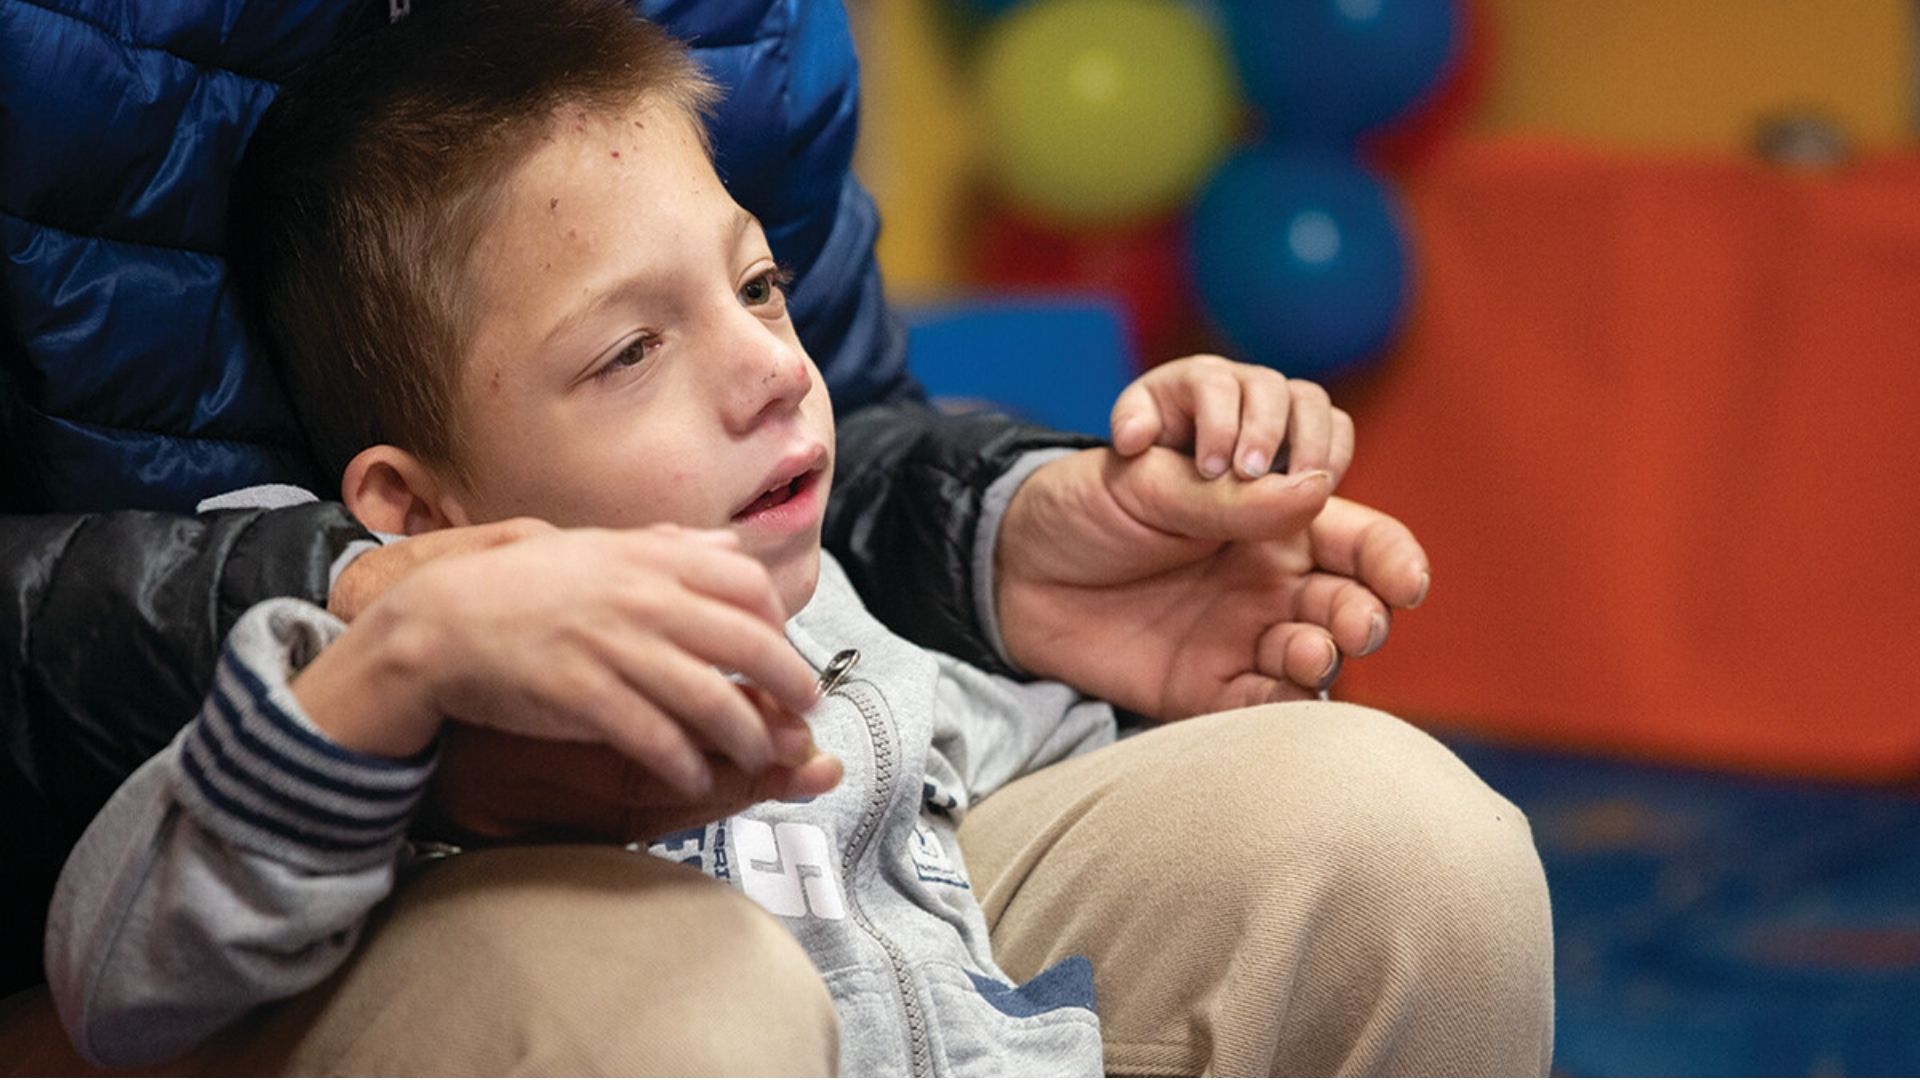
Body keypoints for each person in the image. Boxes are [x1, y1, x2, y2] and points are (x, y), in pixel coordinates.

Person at [38, 2, 1554, 1076]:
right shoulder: (330, 672)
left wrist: (1169, 630)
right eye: (631, 352)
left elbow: (1066, 786)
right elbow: (132, 982)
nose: (773, 367)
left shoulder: (837, 622)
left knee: (1413, 830)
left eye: (757, 291)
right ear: (413, 511)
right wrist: (387, 677)